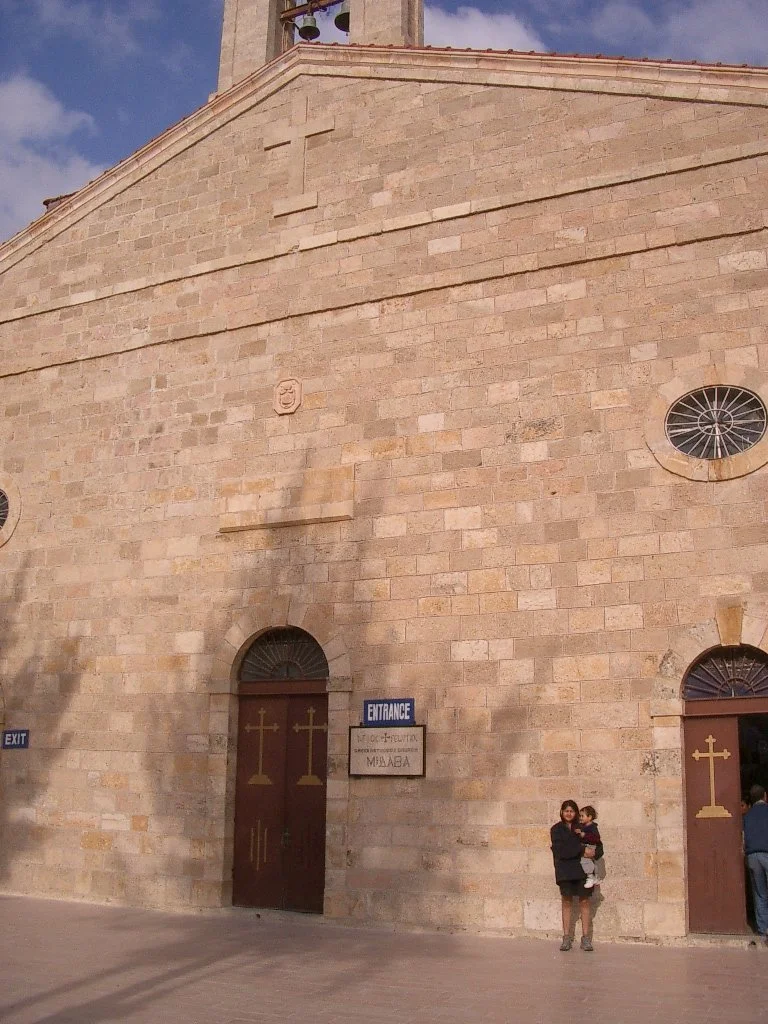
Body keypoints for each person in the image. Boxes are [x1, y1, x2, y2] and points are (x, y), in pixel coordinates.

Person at [550, 799, 596, 952]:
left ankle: (585, 937)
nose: (569, 813)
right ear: (562, 812)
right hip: (564, 870)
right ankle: (566, 937)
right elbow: (560, 850)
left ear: (575, 812)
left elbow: (597, 844)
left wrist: (592, 851)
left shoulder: (583, 827)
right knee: (567, 902)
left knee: (584, 901)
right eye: (566, 811)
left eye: (571, 811)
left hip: (582, 870)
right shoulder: (556, 829)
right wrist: (582, 849)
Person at [744, 783, 768, 945]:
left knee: (760, 893)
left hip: (753, 856)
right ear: (765, 796)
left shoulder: (747, 816)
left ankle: (762, 928)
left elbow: (744, 838)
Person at [574, 805, 603, 889]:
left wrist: (584, 835)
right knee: (592, 863)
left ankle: (590, 877)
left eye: (582, 816)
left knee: (584, 860)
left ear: (589, 817)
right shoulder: (583, 826)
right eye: (580, 816)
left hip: (590, 847)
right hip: (588, 846)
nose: (580, 818)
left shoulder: (592, 827)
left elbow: (596, 838)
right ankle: (596, 877)